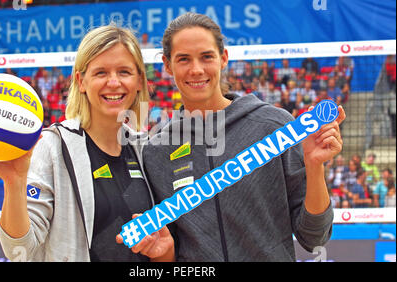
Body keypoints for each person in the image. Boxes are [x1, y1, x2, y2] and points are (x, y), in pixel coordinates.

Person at [143, 12, 345, 261]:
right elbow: (167, 249)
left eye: (206, 57)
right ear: (167, 64)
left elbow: (315, 237)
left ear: (223, 58)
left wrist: (315, 167)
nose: (196, 70)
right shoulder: (156, 151)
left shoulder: (274, 125)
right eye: (183, 59)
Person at [0, 25, 174, 262]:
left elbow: (160, 252)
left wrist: (165, 252)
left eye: (124, 72)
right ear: (81, 81)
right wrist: (14, 184)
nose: (113, 82)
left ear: (139, 81)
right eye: (101, 73)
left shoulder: (145, 149)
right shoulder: (51, 146)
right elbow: (20, 253)